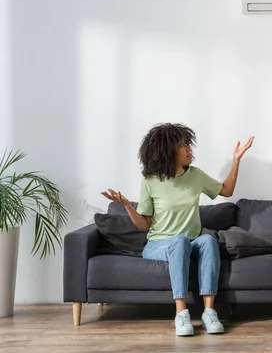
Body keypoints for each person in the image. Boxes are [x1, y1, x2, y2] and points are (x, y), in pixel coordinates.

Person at [102, 123, 254, 337]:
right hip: (158, 245)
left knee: (208, 240)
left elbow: (227, 190)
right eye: (183, 146)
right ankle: (181, 313)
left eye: (188, 144)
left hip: (190, 242)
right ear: (167, 151)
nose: (189, 149)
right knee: (179, 241)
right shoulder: (150, 181)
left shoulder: (195, 176)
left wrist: (236, 160)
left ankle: (209, 311)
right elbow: (145, 224)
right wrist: (128, 206)